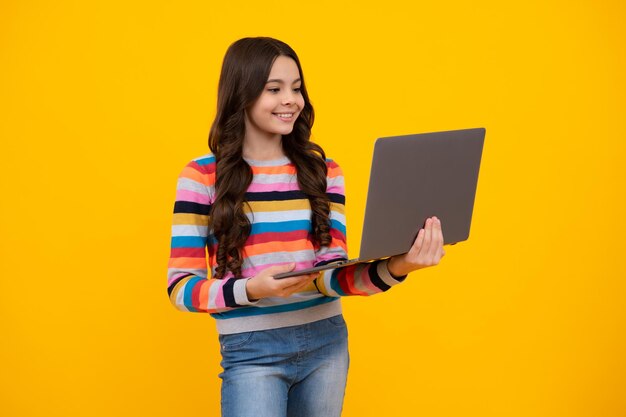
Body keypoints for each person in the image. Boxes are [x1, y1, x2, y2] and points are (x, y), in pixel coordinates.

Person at [167, 37, 445, 417]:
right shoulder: (202, 176)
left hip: (327, 343)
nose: (291, 100)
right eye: (274, 89)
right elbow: (180, 288)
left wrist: (400, 266)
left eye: (297, 88)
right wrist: (251, 289)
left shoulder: (324, 172)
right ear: (241, 94)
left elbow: (330, 278)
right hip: (251, 351)